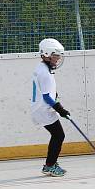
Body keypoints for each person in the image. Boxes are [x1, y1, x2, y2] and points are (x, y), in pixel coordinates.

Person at [30, 38, 70, 177]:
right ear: (46, 54)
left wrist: (55, 95)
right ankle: (50, 165)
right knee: (59, 135)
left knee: (57, 135)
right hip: (43, 110)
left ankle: (50, 163)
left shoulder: (41, 67)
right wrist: (61, 109)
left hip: (41, 109)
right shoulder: (45, 73)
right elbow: (47, 97)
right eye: (56, 56)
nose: (58, 59)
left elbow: (45, 91)